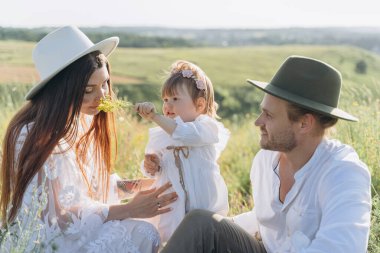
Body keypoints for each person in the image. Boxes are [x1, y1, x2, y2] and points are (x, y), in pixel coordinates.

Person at [160, 56, 372, 253]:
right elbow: (265, 220)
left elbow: (342, 248)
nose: (258, 122)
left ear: (304, 123)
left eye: (269, 115)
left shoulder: (344, 174)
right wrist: (214, 228)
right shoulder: (264, 161)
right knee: (200, 222)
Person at [0, 26, 177, 253]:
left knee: (151, 223)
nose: (101, 96)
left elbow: (91, 187)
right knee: (144, 231)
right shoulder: (31, 135)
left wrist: (147, 185)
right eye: (88, 90)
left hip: (77, 230)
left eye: (104, 84)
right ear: (61, 90)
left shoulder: (80, 120)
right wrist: (129, 210)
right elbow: (58, 217)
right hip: (48, 242)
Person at [134, 60, 230, 242]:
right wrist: (150, 164)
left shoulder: (206, 128)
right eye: (165, 100)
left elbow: (185, 135)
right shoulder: (162, 134)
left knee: (202, 240)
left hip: (203, 205)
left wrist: (155, 116)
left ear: (200, 105)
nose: (167, 106)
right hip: (173, 207)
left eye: (175, 99)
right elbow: (151, 164)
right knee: (174, 240)